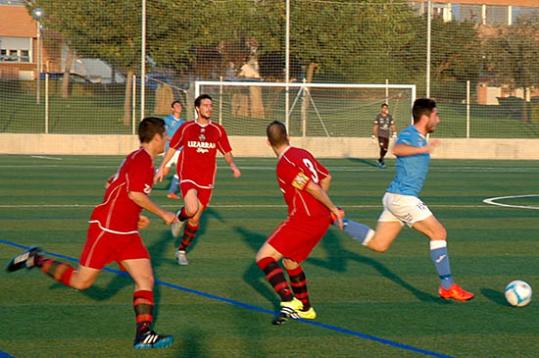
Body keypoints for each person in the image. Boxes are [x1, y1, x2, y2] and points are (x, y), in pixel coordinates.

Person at [5, 117, 178, 349]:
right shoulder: (140, 161)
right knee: (81, 282)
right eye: (164, 135)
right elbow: (134, 194)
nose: (167, 139)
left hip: (126, 233)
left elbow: (112, 185)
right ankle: (36, 259)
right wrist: (163, 213)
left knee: (145, 278)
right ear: (156, 137)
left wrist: (134, 216)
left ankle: (144, 333)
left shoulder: (141, 159)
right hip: (106, 231)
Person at [343, 98, 474, 301]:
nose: (438, 120)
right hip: (403, 198)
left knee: (379, 244)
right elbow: (397, 149)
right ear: (426, 117)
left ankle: (336, 219)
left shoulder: (421, 137)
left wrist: (424, 147)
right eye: (436, 115)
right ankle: (447, 286)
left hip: (394, 197)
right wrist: (423, 150)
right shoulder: (410, 134)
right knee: (438, 232)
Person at [256, 120, 344, 325]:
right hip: (318, 219)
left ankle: (289, 300)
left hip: (304, 219)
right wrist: (323, 209)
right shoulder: (303, 153)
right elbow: (326, 177)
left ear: (268, 143)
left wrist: (331, 207)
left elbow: (311, 187)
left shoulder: (285, 164)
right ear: (288, 136)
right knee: (290, 261)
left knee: (264, 257)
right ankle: (305, 308)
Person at [155, 94, 241, 266]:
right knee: (192, 208)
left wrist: (232, 165)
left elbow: (226, 151)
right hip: (188, 175)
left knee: (194, 219)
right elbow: (172, 148)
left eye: (211, 105)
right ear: (197, 108)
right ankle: (179, 218)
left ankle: (181, 251)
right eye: (205, 105)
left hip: (207, 178)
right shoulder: (187, 127)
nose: (209, 108)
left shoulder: (217, 130)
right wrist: (162, 166)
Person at [162, 100, 185, 200]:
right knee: (164, 172)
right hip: (170, 149)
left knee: (180, 171)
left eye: (180, 105)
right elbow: (164, 134)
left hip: (179, 150)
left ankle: (171, 192)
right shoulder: (167, 120)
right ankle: (142, 178)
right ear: (172, 109)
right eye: (176, 105)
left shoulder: (183, 122)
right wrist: (173, 139)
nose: (179, 107)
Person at [371, 103, 397, 168]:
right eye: (384, 108)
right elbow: (375, 126)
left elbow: (392, 125)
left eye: (386, 108)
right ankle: (382, 162)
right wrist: (373, 135)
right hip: (380, 135)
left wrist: (394, 133)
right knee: (382, 147)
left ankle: (380, 159)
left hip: (386, 135)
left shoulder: (389, 117)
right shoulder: (378, 117)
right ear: (381, 109)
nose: (385, 109)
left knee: (385, 150)